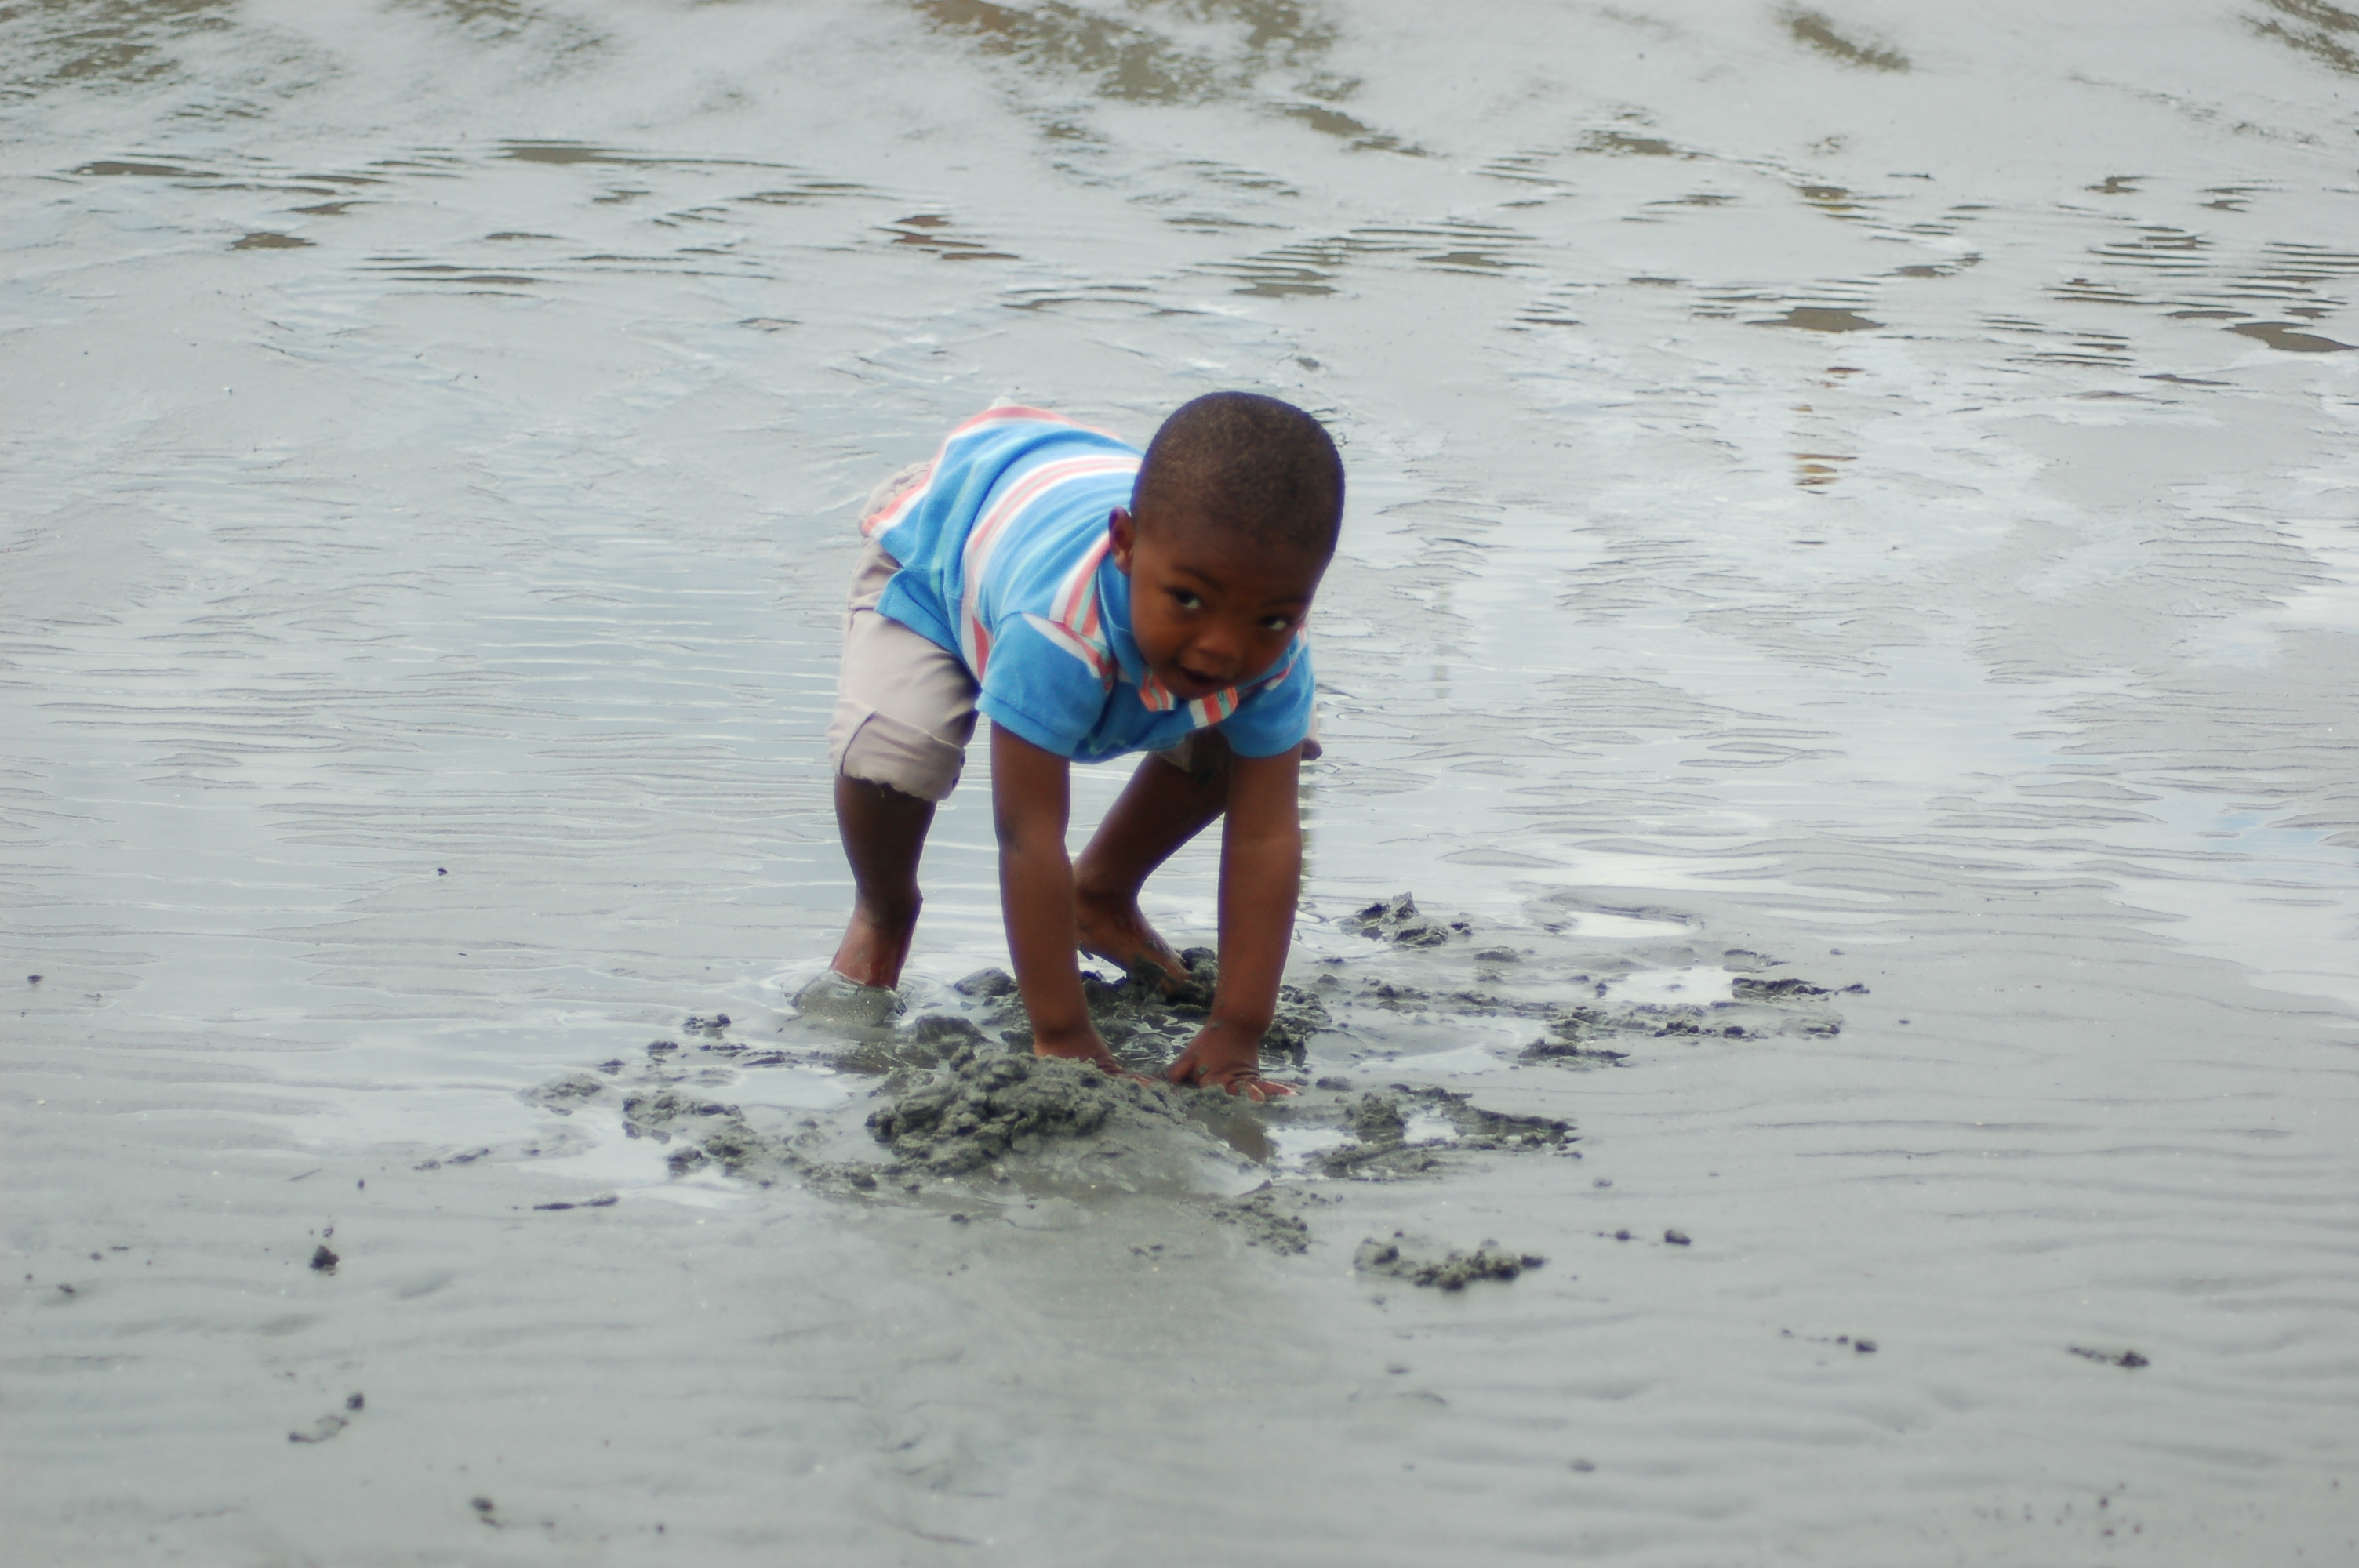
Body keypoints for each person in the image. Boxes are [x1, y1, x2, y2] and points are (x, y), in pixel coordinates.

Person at [811, 392, 1342, 1099]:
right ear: (1125, 545)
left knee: (1263, 737)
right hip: (947, 545)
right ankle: (883, 910)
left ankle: (1101, 894)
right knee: (895, 755)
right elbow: (1028, 835)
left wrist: (1238, 1032)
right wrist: (1061, 1034)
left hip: (1087, 503)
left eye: (1274, 618)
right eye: (1188, 600)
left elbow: (1266, 837)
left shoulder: (1271, 651)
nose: (1223, 646)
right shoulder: (1057, 629)